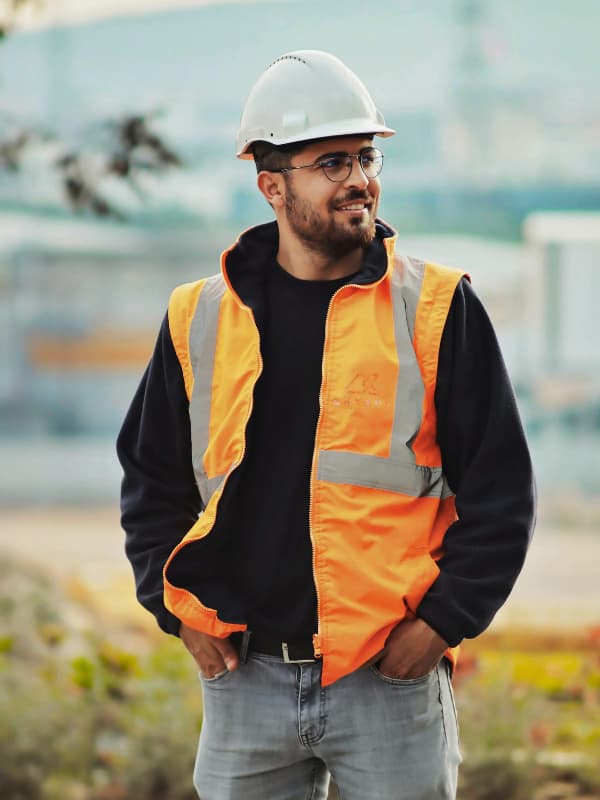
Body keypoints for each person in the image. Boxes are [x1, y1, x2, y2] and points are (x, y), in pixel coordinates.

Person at [117, 50, 536, 800]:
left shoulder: (436, 309)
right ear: (272, 186)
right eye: (331, 162)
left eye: (367, 157)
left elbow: (503, 496)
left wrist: (441, 625)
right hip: (246, 681)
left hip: (388, 679)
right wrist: (176, 614)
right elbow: (152, 482)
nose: (359, 179)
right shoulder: (200, 316)